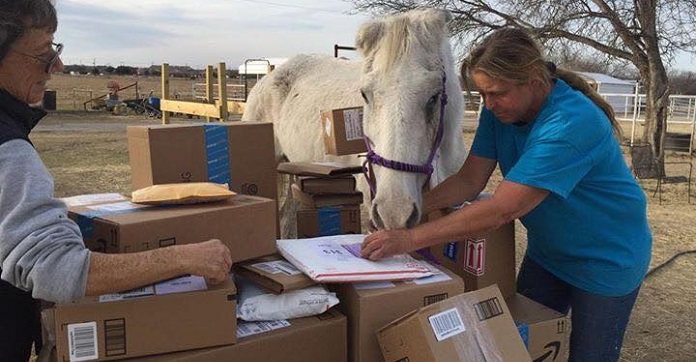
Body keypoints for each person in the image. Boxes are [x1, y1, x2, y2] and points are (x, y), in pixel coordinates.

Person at [361, 27, 652, 362]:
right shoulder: (500, 110)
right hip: (549, 253)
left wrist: (408, 239)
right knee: (520, 346)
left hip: (606, 258)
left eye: (496, 93)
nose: (488, 103)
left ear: (533, 81)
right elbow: (469, 180)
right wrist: (407, 211)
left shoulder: (571, 123)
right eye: (482, 94)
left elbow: (501, 209)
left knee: (590, 356)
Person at [0, 1, 233, 361]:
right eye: (43, 52)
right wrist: (183, 257)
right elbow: (56, 268)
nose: (57, 66)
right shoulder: (7, 148)